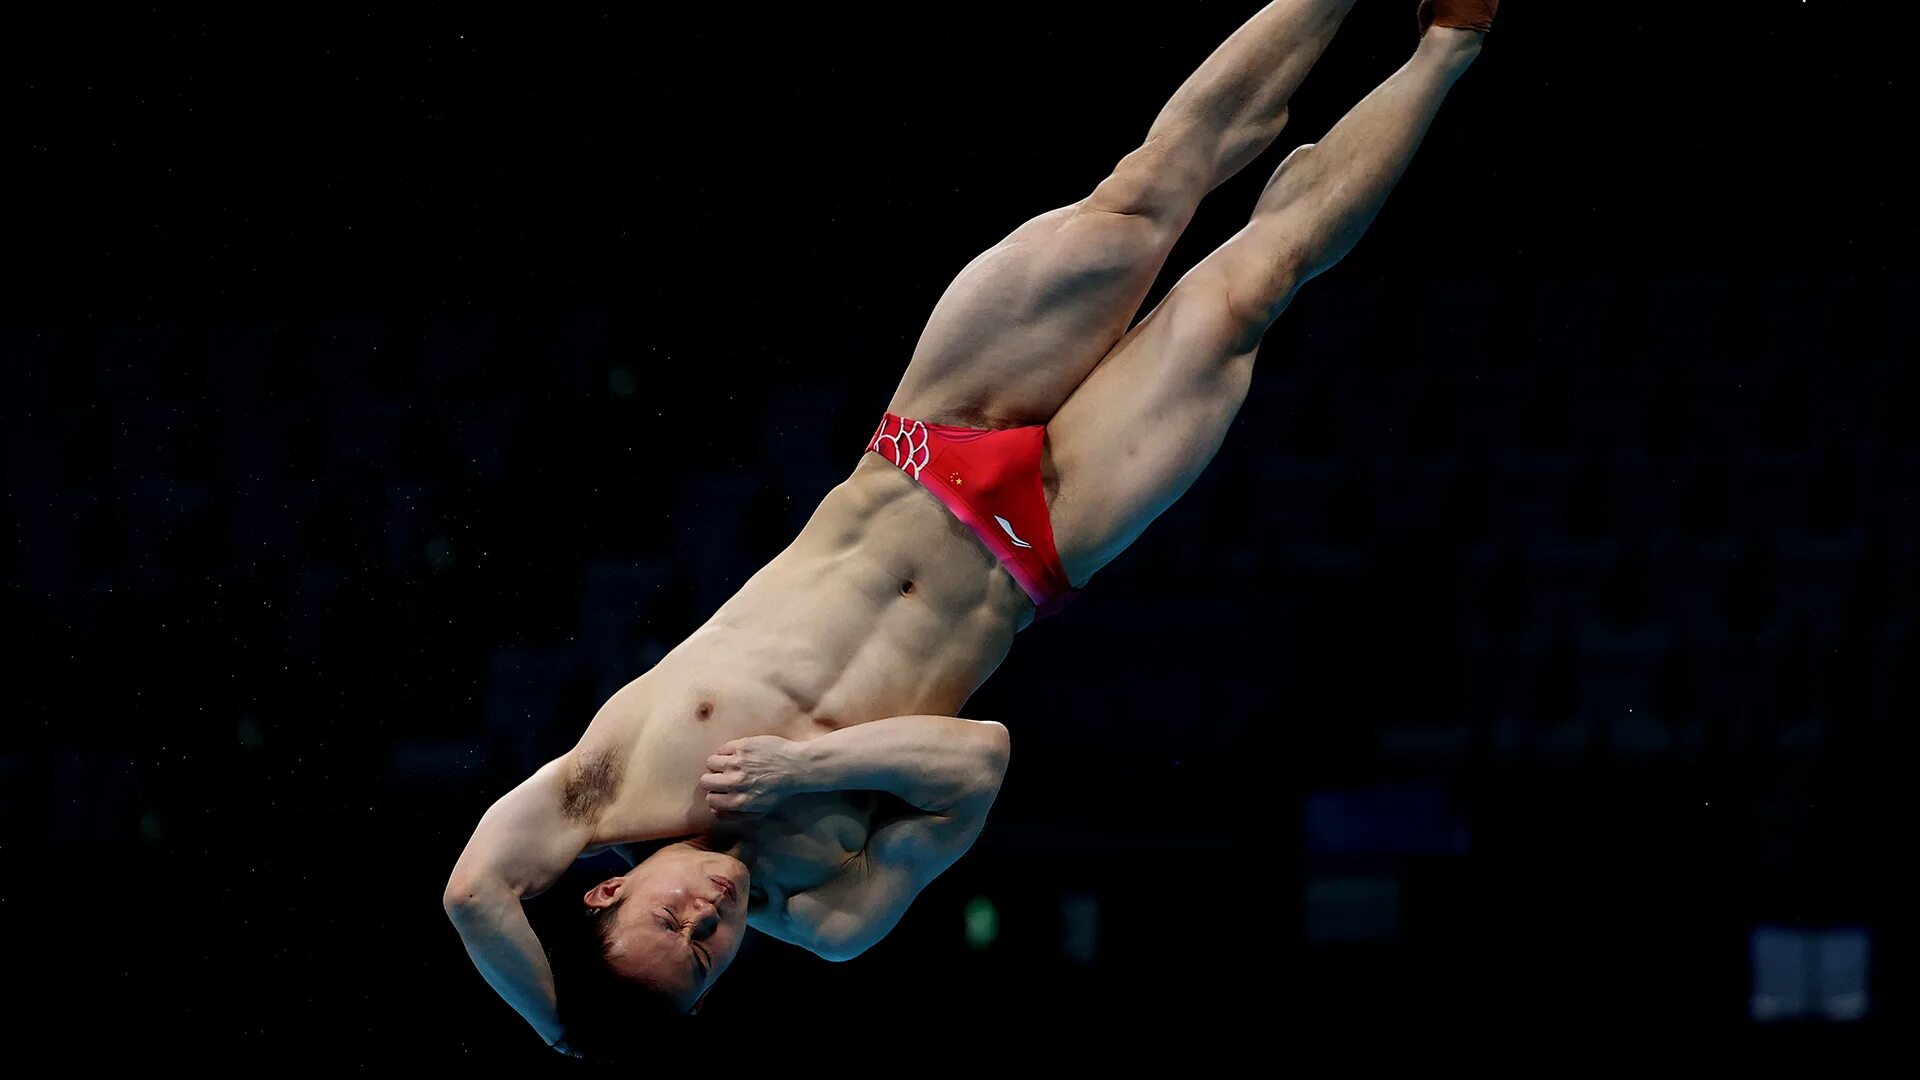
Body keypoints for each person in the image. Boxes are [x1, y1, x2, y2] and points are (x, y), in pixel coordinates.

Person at [443, 0, 1500, 1058]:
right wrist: (798, 777)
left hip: (929, 435)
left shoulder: (600, 788)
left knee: (1149, 188)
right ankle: (1452, 41)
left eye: (670, 919)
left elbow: (471, 893)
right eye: (710, 954)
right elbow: (980, 759)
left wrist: (573, 1034)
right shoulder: (829, 912)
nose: (709, 917)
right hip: (1044, 543)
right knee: (1251, 288)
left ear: (604, 893)